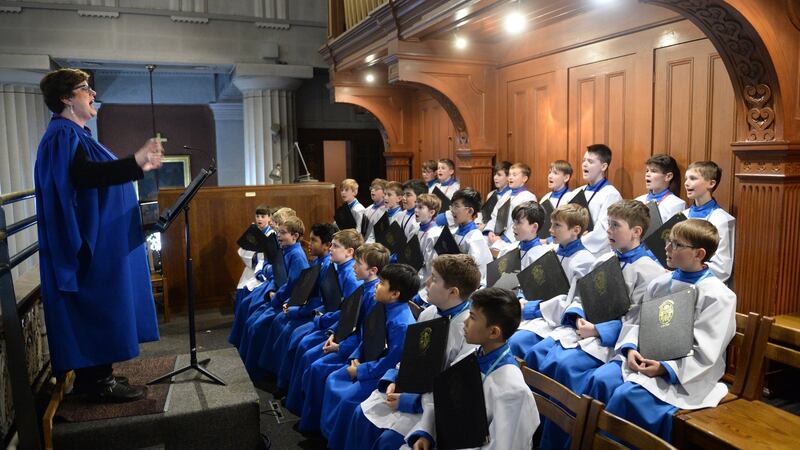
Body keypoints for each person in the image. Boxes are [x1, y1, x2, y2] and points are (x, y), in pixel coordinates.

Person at [35, 68, 163, 402]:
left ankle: (99, 374)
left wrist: (138, 166)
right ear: (66, 98)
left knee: (105, 304)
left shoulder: (77, 135)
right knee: (98, 305)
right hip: (88, 246)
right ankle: (96, 383)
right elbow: (85, 176)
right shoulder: (63, 135)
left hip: (102, 240)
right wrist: (136, 162)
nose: (92, 94)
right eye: (84, 89)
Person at [584, 219, 735, 442]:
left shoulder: (718, 296)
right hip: (644, 357)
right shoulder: (660, 283)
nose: (666, 248)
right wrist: (630, 349)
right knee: (600, 379)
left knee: (627, 396)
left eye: (676, 244)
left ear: (699, 253)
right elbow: (637, 322)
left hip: (685, 373)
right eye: (668, 242)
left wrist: (665, 368)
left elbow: (707, 349)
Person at [351, 254, 481, 450]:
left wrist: (412, 401)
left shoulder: (469, 332)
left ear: (453, 292)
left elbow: (454, 391)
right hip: (411, 390)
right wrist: (395, 377)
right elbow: (412, 355)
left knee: (389, 442)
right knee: (360, 414)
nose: (427, 282)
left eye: (434, 279)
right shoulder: (429, 313)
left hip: (433, 408)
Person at [407, 287, 540, 450]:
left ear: (493, 332)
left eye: (472, 317)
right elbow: (445, 403)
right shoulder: (471, 357)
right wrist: (427, 433)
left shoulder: (512, 391)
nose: (465, 322)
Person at [320, 264, 420, 449]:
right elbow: (367, 333)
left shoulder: (402, 325)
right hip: (366, 361)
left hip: (378, 373)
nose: (376, 285)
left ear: (395, 294)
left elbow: (392, 361)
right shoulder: (381, 305)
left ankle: (338, 442)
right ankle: (327, 434)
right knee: (333, 378)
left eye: (382, 283)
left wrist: (361, 371)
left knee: (347, 400)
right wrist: (356, 356)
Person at [296, 243, 390, 432]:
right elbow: (349, 319)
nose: (354, 267)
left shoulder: (373, 296)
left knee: (318, 367)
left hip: (355, 351)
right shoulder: (364, 287)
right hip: (348, 342)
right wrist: (335, 335)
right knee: (310, 355)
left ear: (373, 270)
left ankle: (316, 426)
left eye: (358, 264)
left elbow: (366, 334)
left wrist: (341, 347)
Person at [283, 229, 364, 412]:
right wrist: (321, 316)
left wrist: (326, 325)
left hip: (339, 331)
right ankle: (295, 398)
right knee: (302, 342)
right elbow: (330, 301)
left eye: (335, 246)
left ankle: (303, 405)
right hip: (330, 320)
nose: (331, 249)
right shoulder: (338, 268)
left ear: (349, 252)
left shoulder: (352, 278)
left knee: (308, 350)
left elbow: (348, 315)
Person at [521, 204, 595, 368]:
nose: (550, 230)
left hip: (555, 321)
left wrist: (531, 309)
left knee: (519, 343)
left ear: (575, 230)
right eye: (551, 224)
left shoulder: (584, 260)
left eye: (557, 225)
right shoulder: (551, 250)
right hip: (537, 312)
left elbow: (571, 303)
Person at [501, 201, 554, 358]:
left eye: (519, 223)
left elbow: (540, 294)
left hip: (523, 310)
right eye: (514, 222)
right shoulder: (509, 248)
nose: (514, 227)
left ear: (534, 227)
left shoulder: (541, 256)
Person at [682, 161, 735, 283]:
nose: (686, 183)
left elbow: (722, 269)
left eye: (693, 178)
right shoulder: (682, 216)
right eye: (686, 178)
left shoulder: (721, 219)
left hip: (704, 285)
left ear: (711, 183)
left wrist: (687, 269)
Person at [577, 144, 623, 257]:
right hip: (573, 247)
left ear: (603, 167)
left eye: (590, 161)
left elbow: (603, 231)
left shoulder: (611, 194)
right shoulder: (577, 192)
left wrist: (576, 243)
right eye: (584, 160)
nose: (584, 164)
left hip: (596, 254)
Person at [485, 162, 538, 252]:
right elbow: (495, 215)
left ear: (524, 179)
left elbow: (523, 222)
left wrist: (505, 238)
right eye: (509, 174)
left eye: (514, 175)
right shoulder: (506, 195)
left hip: (513, 239)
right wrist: (490, 231)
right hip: (497, 236)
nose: (510, 177)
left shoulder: (528, 197)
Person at [448, 188, 493, 286]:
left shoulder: (475, 238)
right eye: (452, 206)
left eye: (456, 206)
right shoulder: (455, 231)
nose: (452, 210)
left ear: (470, 211)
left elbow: (477, 272)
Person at [235, 205, 273, 307]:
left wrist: (258, 257)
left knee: (249, 291)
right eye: (257, 216)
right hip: (251, 268)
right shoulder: (253, 232)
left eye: (263, 216)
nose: (259, 219)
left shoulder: (272, 234)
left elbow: (271, 255)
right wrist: (255, 256)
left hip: (264, 269)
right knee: (241, 289)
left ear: (269, 218)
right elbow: (241, 250)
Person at [634, 154, 685, 223]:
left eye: (654, 171)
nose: (647, 174)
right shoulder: (638, 200)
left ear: (668, 176)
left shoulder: (677, 204)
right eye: (647, 171)